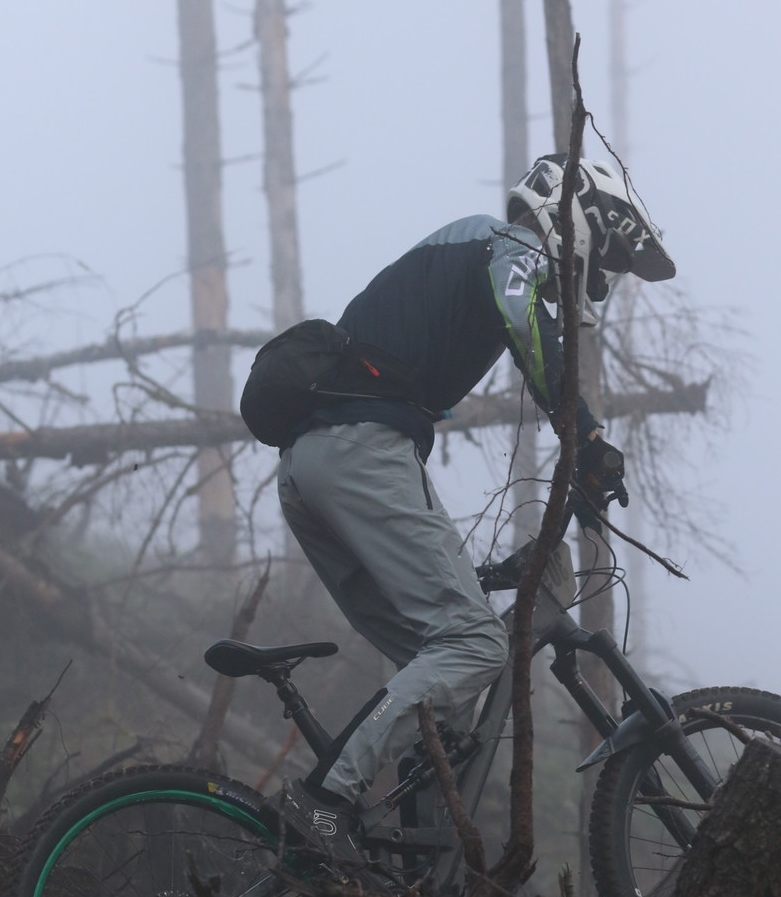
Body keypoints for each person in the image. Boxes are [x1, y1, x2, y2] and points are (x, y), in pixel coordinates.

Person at [277, 153, 675, 858]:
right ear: (578, 216)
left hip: (315, 465)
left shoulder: (469, 252)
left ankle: (414, 867)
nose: (606, 276)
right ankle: (326, 799)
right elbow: (526, 322)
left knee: (445, 669)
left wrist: (488, 571)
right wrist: (584, 437)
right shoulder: (507, 242)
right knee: (477, 645)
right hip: (360, 451)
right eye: (610, 254)